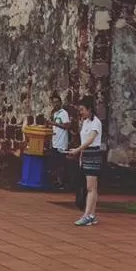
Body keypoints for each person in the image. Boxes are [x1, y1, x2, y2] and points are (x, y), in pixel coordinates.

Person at [67, 96, 103, 226]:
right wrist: (80, 155)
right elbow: (84, 141)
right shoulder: (86, 122)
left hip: (93, 154)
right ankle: (91, 215)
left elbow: (90, 140)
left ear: (89, 109)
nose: (81, 112)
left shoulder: (96, 122)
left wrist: (77, 150)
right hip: (86, 154)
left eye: (82, 109)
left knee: (91, 187)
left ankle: (87, 214)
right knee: (91, 187)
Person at [49, 93, 71, 190]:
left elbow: (67, 126)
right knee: (56, 163)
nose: (56, 104)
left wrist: (54, 123)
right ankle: (58, 181)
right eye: (54, 102)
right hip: (55, 142)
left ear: (61, 102)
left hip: (61, 143)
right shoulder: (55, 113)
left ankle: (62, 183)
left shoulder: (64, 113)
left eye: (57, 102)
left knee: (61, 163)